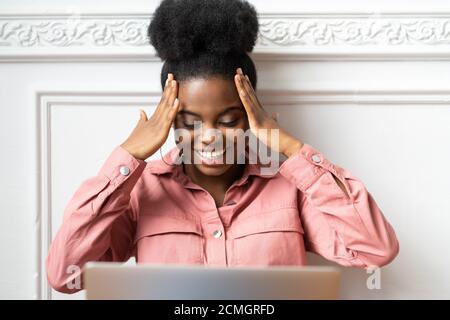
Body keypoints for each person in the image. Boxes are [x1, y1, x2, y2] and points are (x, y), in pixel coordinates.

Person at [46, 0, 399, 294]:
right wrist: (128, 157)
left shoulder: (290, 189)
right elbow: (66, 276)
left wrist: (287, 145)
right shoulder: (141, 193)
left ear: (251, 116)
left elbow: (375, 249)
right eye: (188, 121)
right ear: (167, 121)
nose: (209, 136)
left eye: (229, 120)